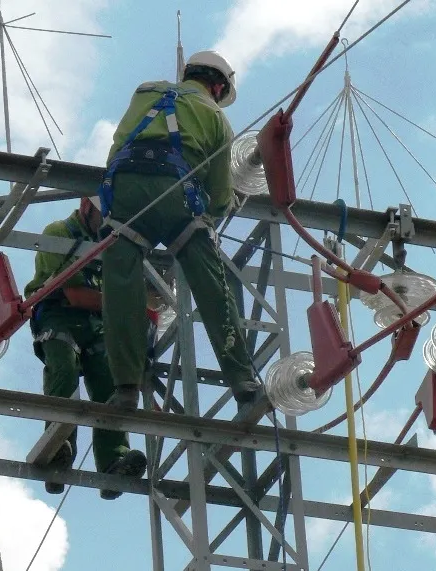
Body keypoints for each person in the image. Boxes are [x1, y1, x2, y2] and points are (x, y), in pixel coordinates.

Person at [98, 50, 262, 411]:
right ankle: (242, 380)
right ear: (218, 86)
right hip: (177, 196)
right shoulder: (216, 118)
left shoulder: (145, 92)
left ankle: (125, 387)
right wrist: (227, 203)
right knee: (212, 286)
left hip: (126, 190)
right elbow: (218, 197)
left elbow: (117, 145)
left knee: (120, 284)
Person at [23, 195, 153, 498]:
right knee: (64, 369)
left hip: (96, 321)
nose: (107, 224)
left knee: (110, 380)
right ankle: (58, 448)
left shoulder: (110, 241)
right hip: (59, 315)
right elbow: (76, 295)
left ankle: (114, 459)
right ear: (85, 207)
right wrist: (132, 305)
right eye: (103, 216)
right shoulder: (59, 233)